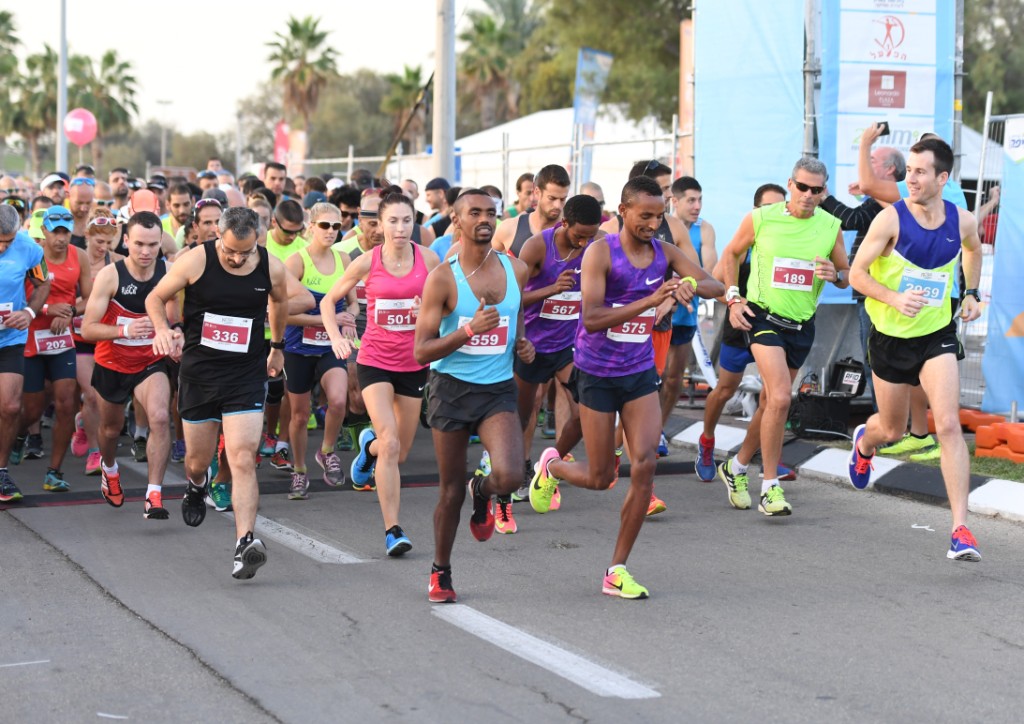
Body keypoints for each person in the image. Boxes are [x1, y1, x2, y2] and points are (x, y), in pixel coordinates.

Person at [527, 176, 721, 599]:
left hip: (637, 373)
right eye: (644, 215)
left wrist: (689, 284)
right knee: (600, 477)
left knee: (645, 464)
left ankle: (616, 569)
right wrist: (650, 302)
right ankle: (552, 467)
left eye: (658, 215)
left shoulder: (664, 253)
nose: (653, 223)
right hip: (596, 372)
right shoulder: (600, 252)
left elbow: (715, 285)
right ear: (623, 210)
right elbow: (592, 317)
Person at [848, 136, 983, 561]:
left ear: (943, 178)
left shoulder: (961, 220)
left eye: (921, 172)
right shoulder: (890, 220)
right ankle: (864, 445)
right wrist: (892, 298)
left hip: (935, 334)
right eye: (909, 171)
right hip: (889, 336)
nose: (912, 178)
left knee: (946, 425)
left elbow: (973, 250)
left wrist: (972, 293)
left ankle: (961, 528)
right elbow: (856, 274)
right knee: (891, 429)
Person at [147, 207, 289, 580]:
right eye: (230, 251)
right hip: (200, 374)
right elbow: (154, 298)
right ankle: (197, 486)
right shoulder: (195, 259)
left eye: (245, 252)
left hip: (245, 373)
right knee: (198, 460)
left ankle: (245, 543)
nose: (238, 258)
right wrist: (163, 329)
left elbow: (280, 302)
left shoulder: (269, 266)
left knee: (243, 456)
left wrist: (277, 346)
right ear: (217, 237)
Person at [414, 188, 535, 602]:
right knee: (448, 490)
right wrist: (467, 331)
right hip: (450, 390)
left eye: (490, 212)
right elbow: (421, 350)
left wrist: (523, 344)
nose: (484, 218)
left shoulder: (516, 270)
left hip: (497, 389)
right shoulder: (442, 278)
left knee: (512, 475)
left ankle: (481, 492)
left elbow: (515, 322)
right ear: (457, 220)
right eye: (474, 212)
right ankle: (440, 570)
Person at [718, 157, 849, 516]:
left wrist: (834, 274)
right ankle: (770, 487)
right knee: (779, 398)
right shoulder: (762, 218)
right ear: (790, 184)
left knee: (769, 405)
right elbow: (731, 252)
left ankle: (737, 466)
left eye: (816, 189)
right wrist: (732, 297)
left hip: (801, 325)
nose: (808, 195)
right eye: (802, 187)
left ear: (824, 192)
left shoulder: (830, 226)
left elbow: (846, 273)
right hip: (763, 317)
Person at [322, 192, 441, 555]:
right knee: (391, 442)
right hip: (374, 360)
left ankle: (367, 450)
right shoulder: (367, 262)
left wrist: (430, 312)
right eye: (393, 221)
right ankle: (393, 530)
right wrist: (335, 338)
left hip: (414, 363)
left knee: (397, 452)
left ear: (414, 222)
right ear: (380, 224)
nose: (401, 228)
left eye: (407, 221)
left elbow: (447, 305)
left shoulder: (430, 260)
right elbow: (328, 301)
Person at [507, 195, 603, 532]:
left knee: (583, 412)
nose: (585, 241)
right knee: (520, 417)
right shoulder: (536, 247)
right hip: (531, 346)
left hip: (568, 347)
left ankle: (549, 465)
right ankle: (512, 474)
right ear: (564, 223)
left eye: (591, 235)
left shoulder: (596, 246)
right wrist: (549, 289)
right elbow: (511, 298)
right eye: (580, 235)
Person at [82, 211, 179, 519]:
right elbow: (87, 329)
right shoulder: (111, 275)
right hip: (112, 362)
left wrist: (174, 333)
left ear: (161, 242)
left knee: (160, 418)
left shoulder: (170, 272)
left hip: (151, 362)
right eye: (138, 244)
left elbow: (176, 316)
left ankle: (154, 496)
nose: (146, 251)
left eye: (152, 244)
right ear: (125, 241)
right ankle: (109, 470)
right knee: (110, 430)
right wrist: (124, 330)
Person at [696, 183, 787, 482]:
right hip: (741, 326)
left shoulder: (789, 243)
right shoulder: (742, 245)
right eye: (769, 208)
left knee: (773, 397)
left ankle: (762, 457)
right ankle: (707, 441)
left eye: (781, 207)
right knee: (725, 389)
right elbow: (714, 288)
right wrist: (736, 303)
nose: (777, 214)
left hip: (774, 328)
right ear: (756, 211)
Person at [14, 206, 93, 493]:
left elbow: (88, 296)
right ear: (44, 231)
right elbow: (21, 295)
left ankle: (54, 471)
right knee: (32, 408)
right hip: (33, 336)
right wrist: (48, 308)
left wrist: (70, 311)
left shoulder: (79, 256)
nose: (61, 238)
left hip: (62, 340)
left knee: (65, 403)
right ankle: (20, 433)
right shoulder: (33, 256)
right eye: (55, 231)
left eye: (65, 232)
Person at [281, 203, 355, 500]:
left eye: (337, 227)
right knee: (299, 416)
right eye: (324, 226)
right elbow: (282, 313)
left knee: (338, 400)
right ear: (310, 227)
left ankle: (326, 451)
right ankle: (299, 471)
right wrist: (326, 318)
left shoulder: (345, 258)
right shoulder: (296, 262)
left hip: (330, 344)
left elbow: (353, 301)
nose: (331, 232)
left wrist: (348, 314)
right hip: (298, 346)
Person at [0, 205, 51, 502]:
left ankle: (2, 471)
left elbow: (43, 282)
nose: (4, 246)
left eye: (8, 240)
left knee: (9, 407)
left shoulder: (29, 248)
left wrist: (30, 312)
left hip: (10, 338)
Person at [71, 209, 124, 476]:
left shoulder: (118, 263)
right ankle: (94, 452)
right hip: (79, 337)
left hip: (107, 336)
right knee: (91, 394)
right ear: (87, 236)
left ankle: (83, 423)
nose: (103, 248)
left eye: (108, 242)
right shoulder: (78, 263)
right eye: (98, 241)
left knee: (102, 398)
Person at [262, 199, 308, 470]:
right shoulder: (261, 243)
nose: (292, 236)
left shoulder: (303, 250)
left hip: (289, 328)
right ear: (273, 223)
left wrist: (279, 310)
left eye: (297, 231)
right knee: (267, 391)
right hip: (257, 329)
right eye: (287, 231)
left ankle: (281, 445)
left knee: (290, 391)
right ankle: (266, 434)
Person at [493, 165, 569, 257]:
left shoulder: (570, 232)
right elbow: (483, 264)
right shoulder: (509, 228)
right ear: (537, 192)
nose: (557, 205)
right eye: (552, 198)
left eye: (562, 199)